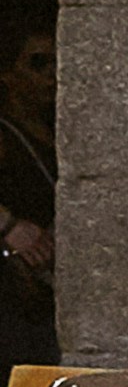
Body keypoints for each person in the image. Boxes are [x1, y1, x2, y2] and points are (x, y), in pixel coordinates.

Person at [0, 19, 55, 365]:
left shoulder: (48, 130)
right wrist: (10, 227)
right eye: (37, 63)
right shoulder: (5, 132)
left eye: (55, 61)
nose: (51, 73)